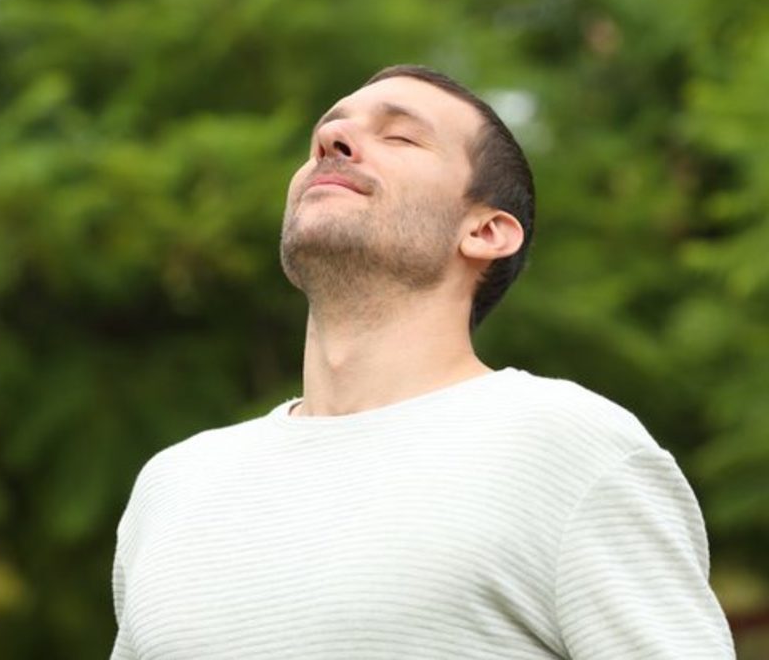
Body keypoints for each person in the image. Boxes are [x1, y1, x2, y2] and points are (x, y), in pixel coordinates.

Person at [110, 65, 735, 659]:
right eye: (327, 132)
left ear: (486, 232)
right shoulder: (175, 485)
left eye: (400, 135)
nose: (333, 139)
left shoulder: (567, 446)